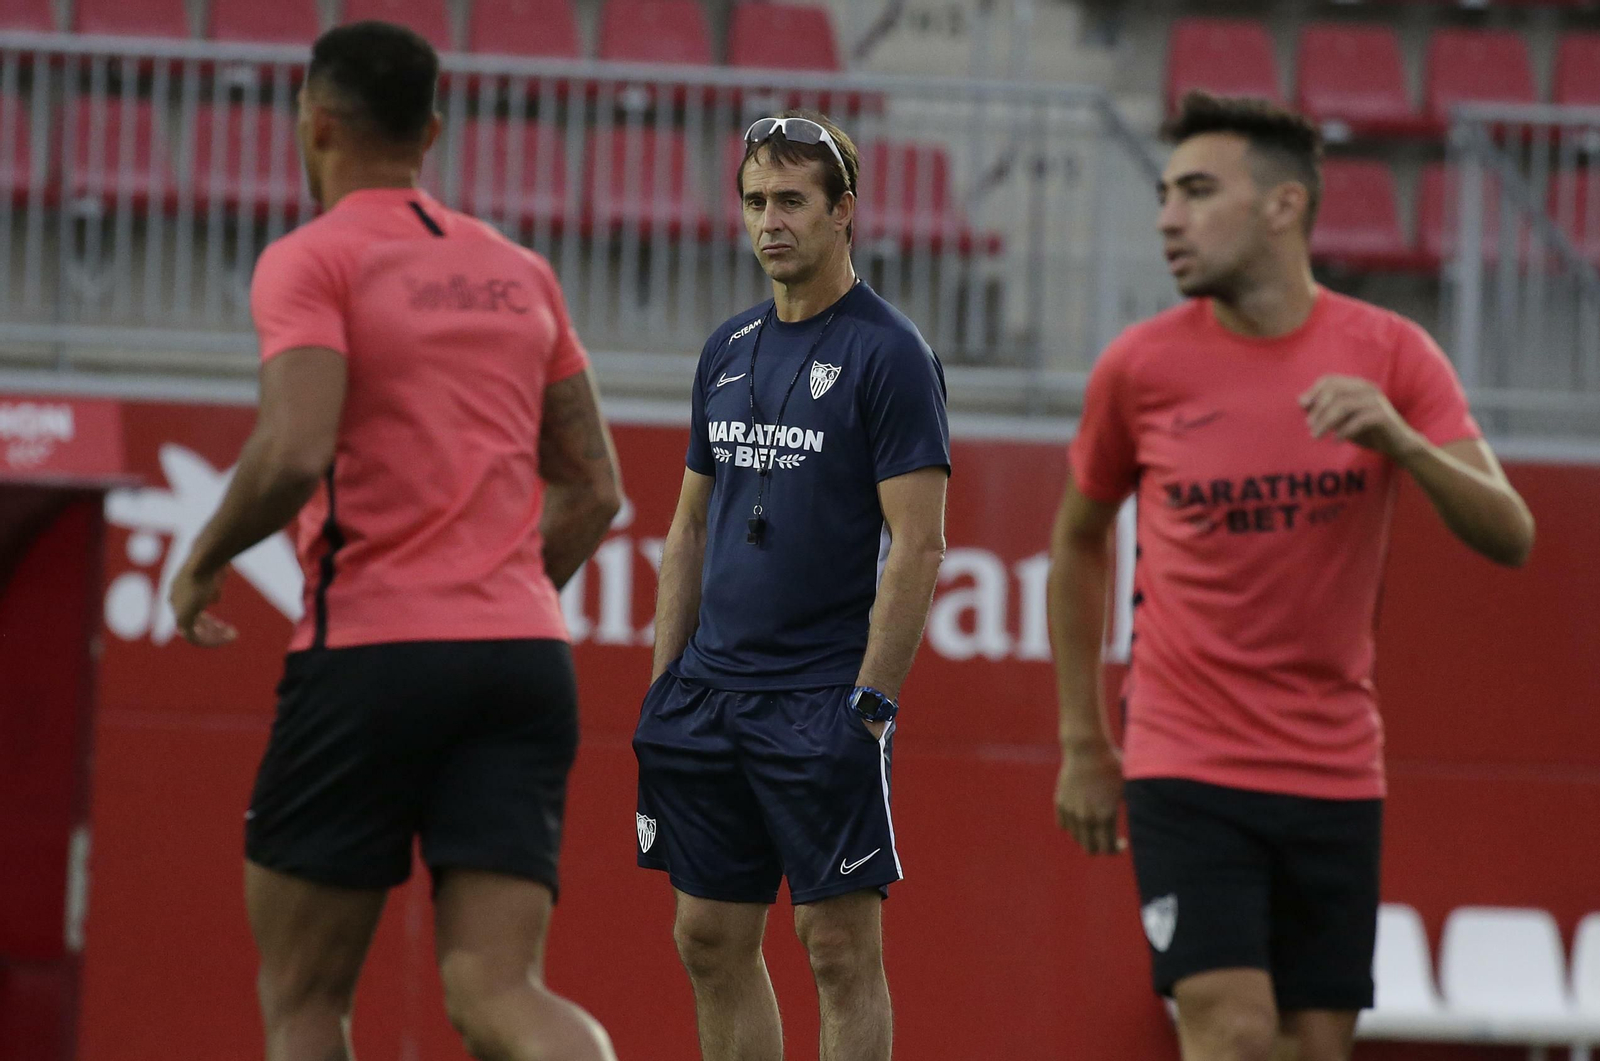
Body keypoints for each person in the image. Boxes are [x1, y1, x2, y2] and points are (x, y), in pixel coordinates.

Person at [1047, 92, 1535, 1061]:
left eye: (1196, 191)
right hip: (1185, 760)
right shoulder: (1137, 368)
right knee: (1227, 1026)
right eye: (1163, 194)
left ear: (1282, 206)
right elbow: (1077, 540)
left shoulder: (1392, 354)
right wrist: (1083, 739)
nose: (1166, 217)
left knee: (1312, 1045)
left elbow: (1511, 533)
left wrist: (1399, 438)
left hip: (1333, 761)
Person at [167, 22, 621, 1061]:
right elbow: (595, 489)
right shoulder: (519, 272)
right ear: (433, 131)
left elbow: (292, 450)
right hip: (521, 656)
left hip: (366, 656)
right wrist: (490, 596)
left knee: (307, 997)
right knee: (501, 990)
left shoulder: (311, 259)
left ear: (316, 124)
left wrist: (199, 560)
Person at [631, 110, 950, 1061]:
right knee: (707, 936)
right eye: (756, 201)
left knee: (840, 947)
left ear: (844, 211)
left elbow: (921, 545)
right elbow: (690, 522)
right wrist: (664, 683)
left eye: (794, 201)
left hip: (820, 696)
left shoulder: (890, 353)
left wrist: (872, 703)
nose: (771, 221)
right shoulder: (727, 347)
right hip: (710, 695)